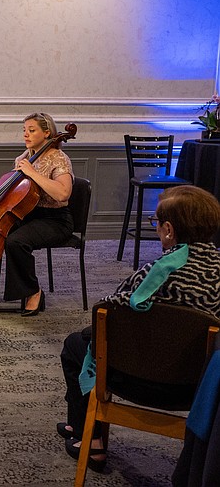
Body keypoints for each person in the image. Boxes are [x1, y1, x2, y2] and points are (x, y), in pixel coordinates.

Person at [58, 185, 220, 473]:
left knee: (75, 345)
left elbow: (108, 313)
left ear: (169, 229)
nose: (156, 229)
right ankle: (78, 425)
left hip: (137, 379)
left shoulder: (154, 274)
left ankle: (90, 440)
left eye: (155, 223)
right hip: (201, 390)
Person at [0, 112, 73, 316]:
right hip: (27, 214)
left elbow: (63, 194)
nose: (26, 135)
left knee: (15, 241)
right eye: (24, 130)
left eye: (32, 130)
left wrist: (32, 173)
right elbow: (11, 184)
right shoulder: (25, 157)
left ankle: (33, 292)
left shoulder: (59, 158)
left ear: (47, 133)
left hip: (55, 219)